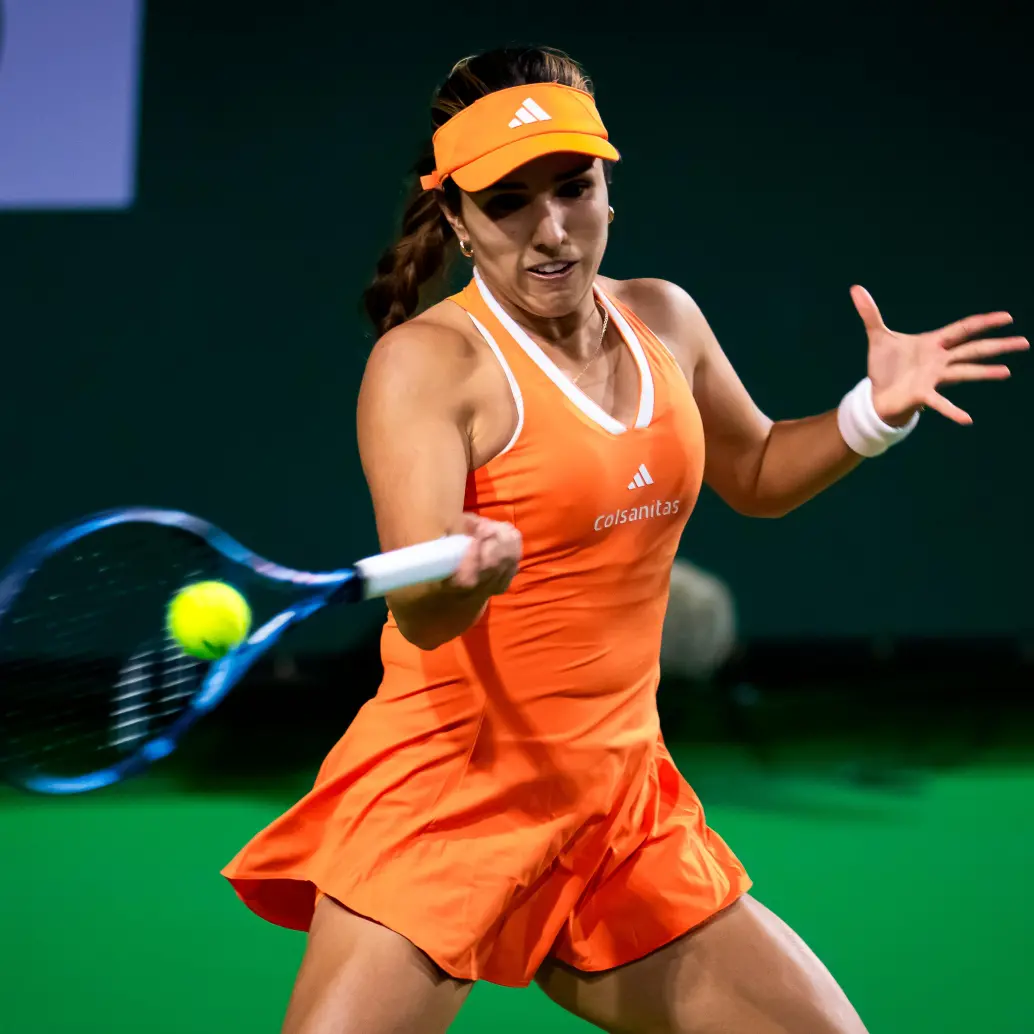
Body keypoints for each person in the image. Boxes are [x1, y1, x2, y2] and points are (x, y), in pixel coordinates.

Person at [222, 46, 1026, 1034]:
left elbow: (759, 472)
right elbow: (423, 613)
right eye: (509, 201)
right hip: (449, 791)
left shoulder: (663, 319)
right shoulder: (425, 363)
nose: (551, 230)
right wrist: (467, 574)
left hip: (616, 801)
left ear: (608, 187)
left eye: (574, 187)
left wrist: (872, 413)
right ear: (457, 221)